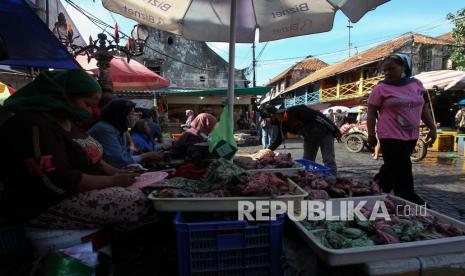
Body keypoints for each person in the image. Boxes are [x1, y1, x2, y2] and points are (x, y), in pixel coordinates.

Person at [0, 70, 149, 229]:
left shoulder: (70, 122)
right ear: (63, 96)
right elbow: (60, 181)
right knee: (139, 200)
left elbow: (95, 160)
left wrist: (116, 173)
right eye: (87, 104)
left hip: (83, 191)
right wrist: (112, 181)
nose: (91, 111)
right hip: (45, 206)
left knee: (148, 191)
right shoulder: (32, 125)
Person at [367, 53, 436, 205]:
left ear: (403, 67)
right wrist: (371, 135)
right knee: (402, 173)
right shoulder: (380, 88)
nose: (387, 73)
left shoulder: (416, 84)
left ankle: (371, 194)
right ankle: (410, 203)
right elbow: (371, 113)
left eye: (391, 69)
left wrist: (432, 128)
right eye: (384, 70)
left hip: (411, 136)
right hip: (390, 136)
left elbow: (423, 108)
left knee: (390, 170)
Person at [264, 104, 342, 174]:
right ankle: (309, 178)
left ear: (272, 115)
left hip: (325, 133)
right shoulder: (281, 124)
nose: (266, 121)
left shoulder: (297, 110)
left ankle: (332, 176)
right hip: (310, 137)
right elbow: (279, 139)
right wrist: (267, 151)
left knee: (328, 159)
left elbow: (319, 116)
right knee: (307, 160)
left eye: (266, 118)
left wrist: (335, 130)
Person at [88, 99, 163, 169]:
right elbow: (119, 160)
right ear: (121, 115)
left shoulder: (120, 130)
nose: (136, 116)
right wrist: (146, 156)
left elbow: (125, 155)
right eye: (132, 113)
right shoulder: (105, 130)